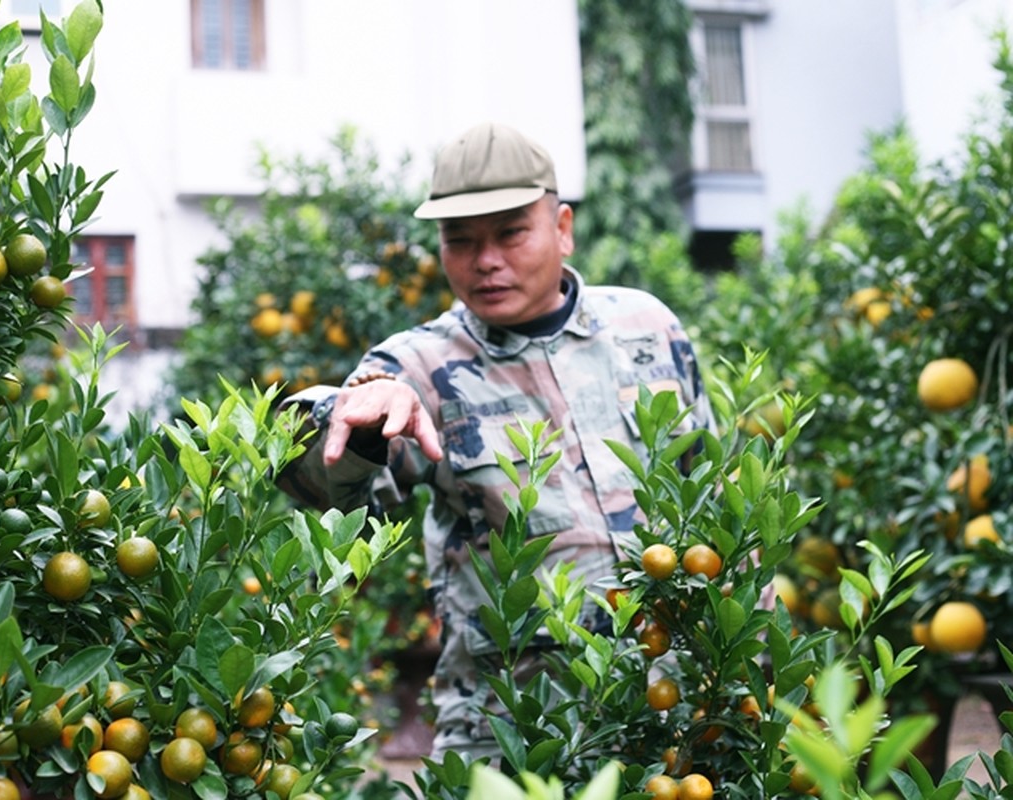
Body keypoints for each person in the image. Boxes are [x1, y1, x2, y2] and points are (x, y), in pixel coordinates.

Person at [276, 121, 714, 759]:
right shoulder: (416, 366)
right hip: (515, 731)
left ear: (561, 228)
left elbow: (715, 499)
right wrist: (350, 417)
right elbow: (321, 483)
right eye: (461, 240)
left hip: (676, 717)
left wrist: (748, 675)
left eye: (511, 233)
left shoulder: (647, 327)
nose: (486, 260)